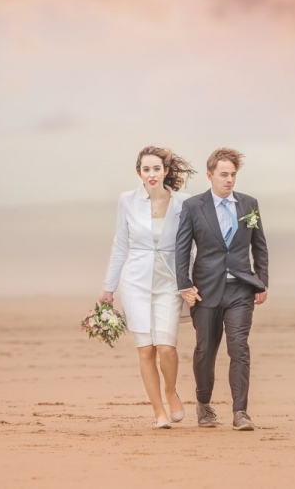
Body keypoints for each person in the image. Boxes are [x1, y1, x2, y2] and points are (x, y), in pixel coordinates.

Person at [100, 146, 196, 429]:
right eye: (146, 169)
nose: (151, 174)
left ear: (166, 171)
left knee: (167, 347)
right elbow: (120, 245)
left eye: (156, 169)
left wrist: (189, 282)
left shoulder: (183, 203)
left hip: (170, 280)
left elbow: (189, 248)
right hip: (135, 281)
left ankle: (170, 391)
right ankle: (159, 412)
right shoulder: (127, 201)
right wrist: (109, 287)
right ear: (139, 173)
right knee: (146, 350)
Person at [175, 147, 269, 431]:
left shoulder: (249, 204)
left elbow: (260, 246)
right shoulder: (193, 206)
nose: (229, 180)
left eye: (233, 175)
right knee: (206, 349)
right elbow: (182, 248)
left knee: (239, 347)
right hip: (205, 290)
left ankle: (240, 412)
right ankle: (203, 405)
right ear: (210, 175)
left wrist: (262, 281)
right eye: (224, 175)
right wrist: (184, 285)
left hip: (241, 289)